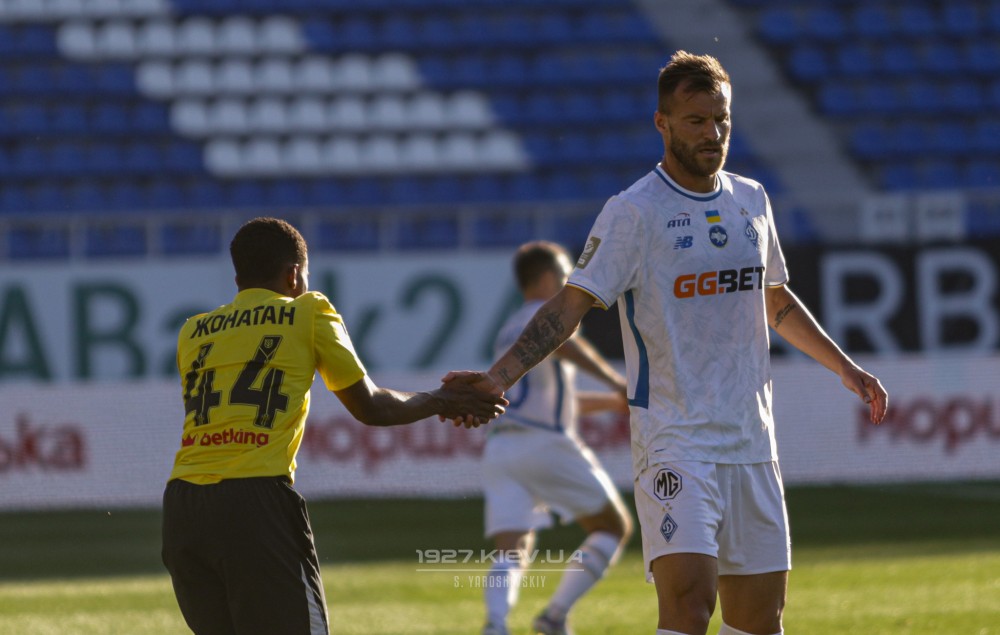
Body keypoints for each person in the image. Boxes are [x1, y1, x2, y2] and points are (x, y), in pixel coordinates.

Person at [445, 51, 888, 635]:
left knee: (761, 620)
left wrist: (844, 366)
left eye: (721, 119)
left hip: (753, 442)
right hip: (676, 442)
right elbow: (568, 306)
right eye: (696, 121)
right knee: (689, 607)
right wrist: (498, 378)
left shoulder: (752, 199)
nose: (713, 133)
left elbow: (774, 299)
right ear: (663, 123)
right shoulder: (634, 211)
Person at [162, 217, 506, 635]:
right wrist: (443, 400)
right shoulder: (308, 311)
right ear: (294, 275)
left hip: (182, 509)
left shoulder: (193, 332)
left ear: (238, 278)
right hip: (255, 501)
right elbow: (372, 407)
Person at [480, 241, 633, 635]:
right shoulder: (547, 320)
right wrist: (618, 383)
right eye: (566, 276)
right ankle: (554, 616)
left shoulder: (507, 330)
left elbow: (551, 400)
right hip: (543, 442)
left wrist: (612, 403)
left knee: (512, 547)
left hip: (501, 446)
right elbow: (567, 347)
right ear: (549, 278)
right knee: (612, 526)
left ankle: (495, 625)